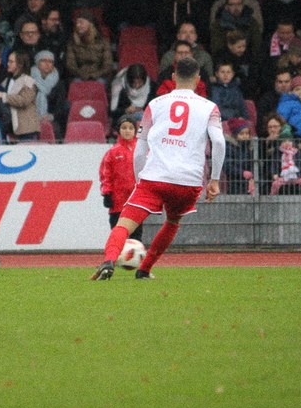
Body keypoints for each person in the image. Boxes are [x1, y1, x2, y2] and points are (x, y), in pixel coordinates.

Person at [91, 56, 225, 280]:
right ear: (198, 79)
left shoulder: (155, 104)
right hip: (188, 181)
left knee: (124, 224)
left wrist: (139, 179)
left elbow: (140, 146)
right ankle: (144, 270)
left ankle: (109, 260)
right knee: (172, 221)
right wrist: (214, 180)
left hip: (154, 178)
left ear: (173, 77)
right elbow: (219, 142)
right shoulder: (209, 107)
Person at [99, 115, 144, 241]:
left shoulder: (140, 151)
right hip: (117, 201)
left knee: (136, 236)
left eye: (130, 128)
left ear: (135, 131)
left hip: (136, 200)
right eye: (124, 128)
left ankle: (134, 254)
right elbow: (105, 175)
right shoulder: (112, 152)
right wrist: (107, 194)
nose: (127, 131)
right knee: (117, 235)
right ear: (118, 130)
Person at [0, 51, 39, 141]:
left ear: (20, 64)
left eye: (11, 62)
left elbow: (24, 100)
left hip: (26, 129)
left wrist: (4, 96)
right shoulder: (7, 80)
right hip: (11, 127)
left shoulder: (28, 81)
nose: (8, 64)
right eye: (8, 61)